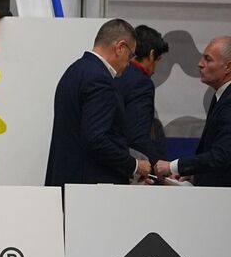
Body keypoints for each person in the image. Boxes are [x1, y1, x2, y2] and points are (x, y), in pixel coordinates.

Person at [45, 18, 149, 186]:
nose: (129, 64)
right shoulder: (100, 80)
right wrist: (134, 165)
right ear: (120, 47)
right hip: (90, 188)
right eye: (130, 56)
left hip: (67, 180)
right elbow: (96, 140)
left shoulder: (74, 71)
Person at [156, 36, 231, 186]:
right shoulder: (220, 96)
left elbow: (222, 155)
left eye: (208, 59)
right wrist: (194, 175)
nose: (200, 64)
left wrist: (173, 167)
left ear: (228, 67)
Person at [115, 24, 168, 166]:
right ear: (151, 55)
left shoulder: (115, 74)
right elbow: (137, 136)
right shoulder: (141, 83)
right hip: (129, 165)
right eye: (158, 60)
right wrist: (159, 165)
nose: (155, 70)